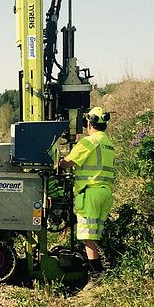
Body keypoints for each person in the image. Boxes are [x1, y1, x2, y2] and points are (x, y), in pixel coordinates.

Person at [56, 106, 115, 287]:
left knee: (87, 236)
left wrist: (57, 163)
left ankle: (96, 275)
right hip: (105, 192)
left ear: (89, 123)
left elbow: (68, 163)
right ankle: (103, 265)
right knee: (95, 234)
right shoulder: (107, 142)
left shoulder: (89, 142)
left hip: (90, 193)